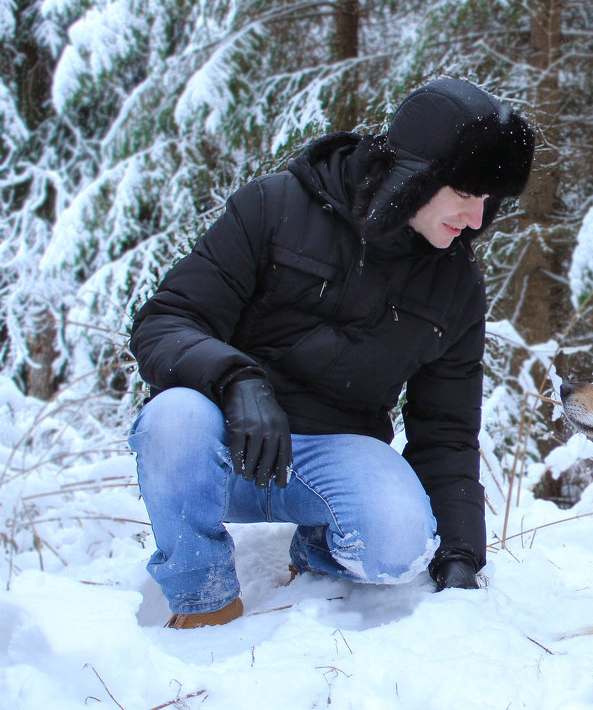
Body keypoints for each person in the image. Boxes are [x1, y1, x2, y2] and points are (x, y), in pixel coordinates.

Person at [128, 78, 535, 628]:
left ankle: (316, 554)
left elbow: (445, 431)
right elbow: (165, 321)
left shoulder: (457, 286)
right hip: (223, 444)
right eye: (466, 195)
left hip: (331, 458)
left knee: (398, 544)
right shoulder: (272, 208)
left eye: (488, 200)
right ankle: (204, 601)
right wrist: (235, 381)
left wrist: (461, 554)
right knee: (172, 420)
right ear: (416, 177)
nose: (477, 219)